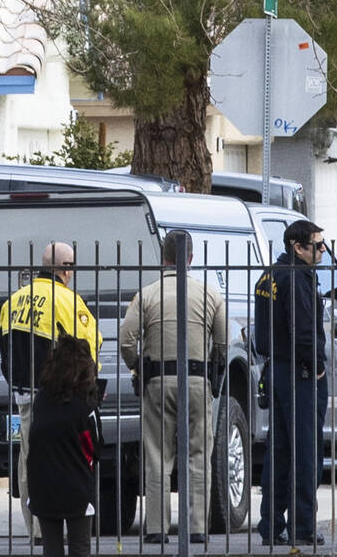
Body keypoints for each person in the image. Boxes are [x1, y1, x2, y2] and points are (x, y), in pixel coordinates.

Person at [119, 229, 227, 544]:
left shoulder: (147, 294)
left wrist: (138, 364)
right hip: (196, 379)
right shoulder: (210, 295)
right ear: (190, 258)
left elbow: (127, 340)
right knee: (198, 452)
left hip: (157, 379)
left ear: (163, 258)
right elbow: (222, 343)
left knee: (156, 453)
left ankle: (156, 527)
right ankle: (196, 527)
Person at [0, 241, 102, 540]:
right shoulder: (67, 301)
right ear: (65, 269)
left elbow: (5, 350)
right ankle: (57, 526)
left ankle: (36, 527)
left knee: (28, 458)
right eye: (72, 267)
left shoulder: (14, 301)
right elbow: (90, 346)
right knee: (64, 459)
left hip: (23, 393)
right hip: (58, 394)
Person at [253, 218, 329, 547]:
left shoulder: (270, 274)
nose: (322, 250)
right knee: (306, 451)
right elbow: (303, 329)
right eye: (317, 244)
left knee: (280, 451)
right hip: (300, 372)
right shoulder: (297, 277)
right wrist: (317, 367)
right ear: (297, 247)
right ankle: (303, 527)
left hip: (278, 368)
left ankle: (271, 523)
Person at [27, 334, 103, 557]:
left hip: (42, 487)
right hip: (75, 487)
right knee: (80, 547)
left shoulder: (40, 400)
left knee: (51, 548)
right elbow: (95, 447)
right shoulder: (84, 406)